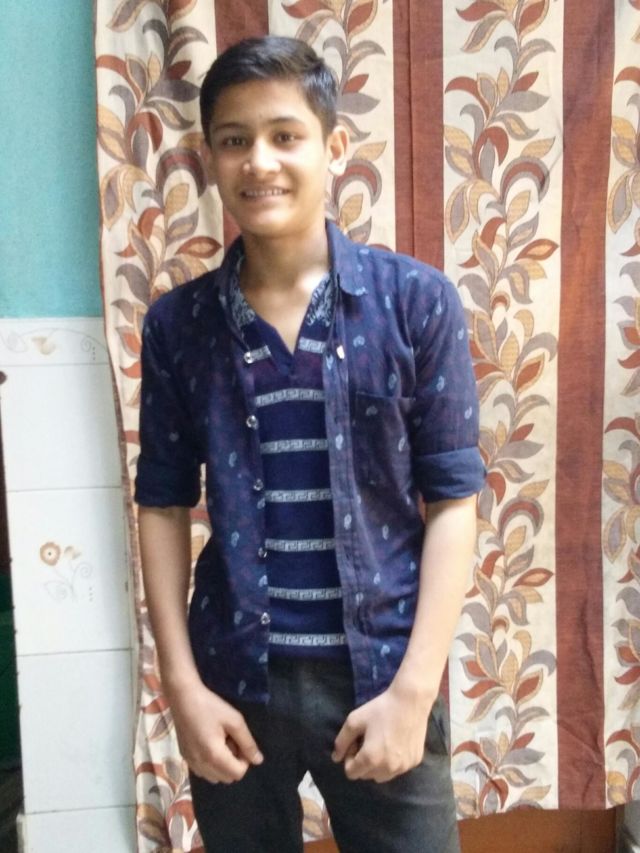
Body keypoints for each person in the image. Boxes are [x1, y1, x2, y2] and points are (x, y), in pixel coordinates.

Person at [135, 35, 485, 853]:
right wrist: (182, 687)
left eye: (284, 135)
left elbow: (453, 501)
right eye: (234, 139)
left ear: (333, 146)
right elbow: (161, 503)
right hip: (234, 679)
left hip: (383, 673)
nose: (259, 160)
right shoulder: (178, 326)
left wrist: (415, 690)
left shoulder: (415, 303)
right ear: (210, 158)